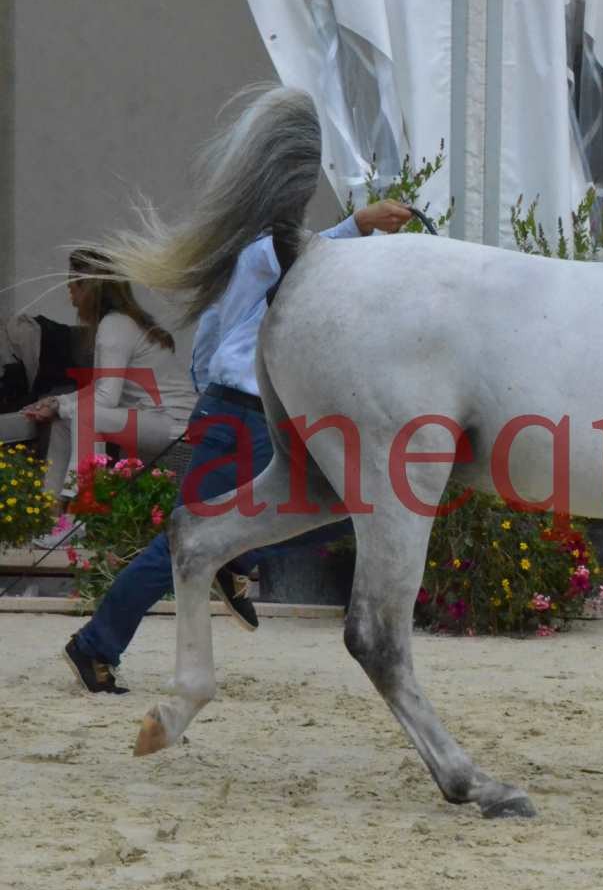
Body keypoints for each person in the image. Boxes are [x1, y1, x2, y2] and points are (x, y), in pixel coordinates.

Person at [62, 199, 413, 694]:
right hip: (237, 416)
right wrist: (358, 224)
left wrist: (212, 398)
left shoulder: (249, 266)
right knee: (179, 549)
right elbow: (314, 255)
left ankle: (234, 553)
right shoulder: (260, 252)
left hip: (250, 417)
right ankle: (96, 645)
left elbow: (207, 340)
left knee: (336, 511)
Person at [16, 252, 196, 525]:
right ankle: (48, 514)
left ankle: (80, 511)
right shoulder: (119, 322)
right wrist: (56, 404)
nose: (69, 293)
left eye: (71, 284)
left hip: (175, 426)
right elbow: (102, 389)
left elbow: (105, 399)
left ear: (88, 289)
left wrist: (62, 405)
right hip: (155, 420)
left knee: (85, 416)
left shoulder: (115, 325)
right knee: (65, 421)